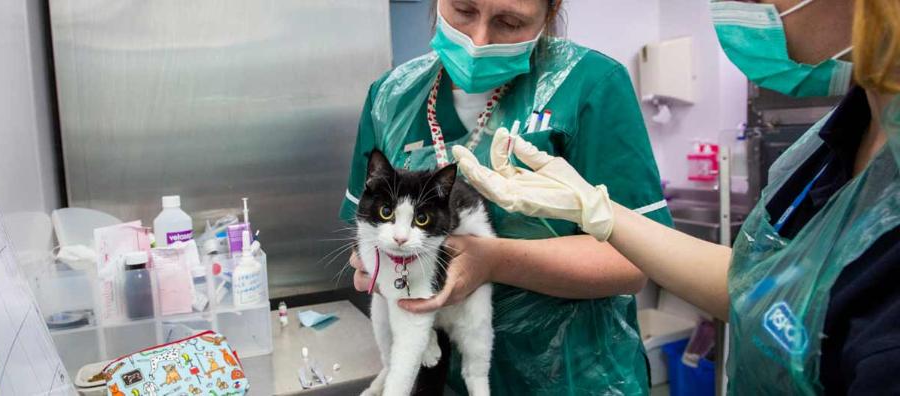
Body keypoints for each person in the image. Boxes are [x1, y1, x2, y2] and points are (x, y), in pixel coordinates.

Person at [454, 0, 900, 394]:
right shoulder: (843, 136)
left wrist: (493, 259)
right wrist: (597, 211)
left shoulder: (595, 80)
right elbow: (756, 287)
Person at [339, 0, 673, 393]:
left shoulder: (590, 85)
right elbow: (363, 230)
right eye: (463, 10)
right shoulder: (390, 96)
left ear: (549, 13)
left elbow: (637, 262)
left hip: (572, 378)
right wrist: (373, 267)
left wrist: (493, 261)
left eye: (509, 21)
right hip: (439, 381)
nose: (478, 40)